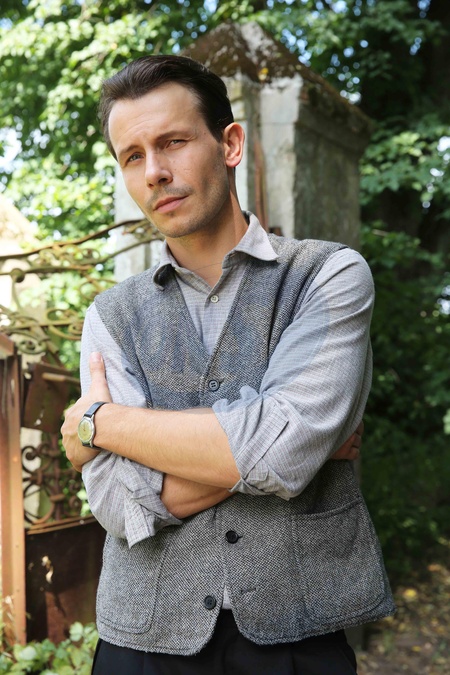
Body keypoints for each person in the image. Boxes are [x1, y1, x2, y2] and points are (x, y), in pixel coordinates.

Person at [62, 54, 395, 675]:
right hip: (142, 641)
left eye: (173, 142)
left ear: (230, 144)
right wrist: (286, 440)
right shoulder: (110, 315)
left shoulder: (327, 275)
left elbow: (284, 450)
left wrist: (100, 424)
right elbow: (115, 499)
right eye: (132, 156)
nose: (155, 172)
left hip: (297, 637)